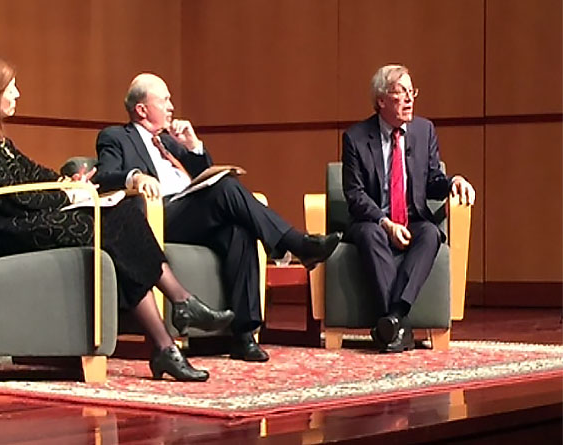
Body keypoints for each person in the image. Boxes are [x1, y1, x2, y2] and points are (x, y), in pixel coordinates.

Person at [0, 51, 235, 382]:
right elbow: (15, 197)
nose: (17, 94)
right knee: (116, 223)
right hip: (6, 231)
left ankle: (166, 344)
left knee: (122, 226)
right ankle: (180, 308)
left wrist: (69, 182)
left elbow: (35, 174)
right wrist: (68, 194)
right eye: (10, 88)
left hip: (23, 221)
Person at [94, 73, 341, 362]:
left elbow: (206, 177)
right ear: (142, 109)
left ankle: (244, 335)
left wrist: (193, 146)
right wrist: (135, 177)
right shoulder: (116, 137)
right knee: (227, 188)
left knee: (240, 229)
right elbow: (104, 176)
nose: (171, 107)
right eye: (164, 100)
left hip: (191, 212)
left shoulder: (170, 142)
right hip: (159, 215)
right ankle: (294, 243)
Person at [342, 64, 475, 353]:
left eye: (411, 92)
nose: (409, 99)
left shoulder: (424, 131)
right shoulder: (355, 138)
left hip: (412, 218)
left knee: (430, 234)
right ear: (381, 100)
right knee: (370, 235)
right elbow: (355, 195)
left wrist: (454, 181)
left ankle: (393, 318)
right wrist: (385, 222)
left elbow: (433, 181)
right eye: (400, 92)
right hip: (373, 221)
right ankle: (400, 327)